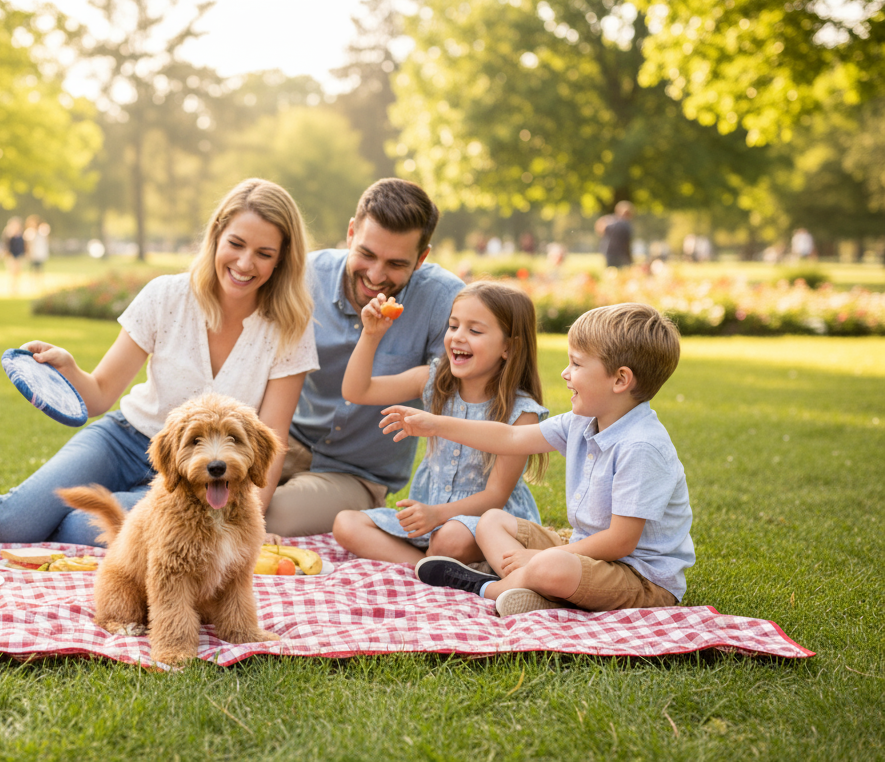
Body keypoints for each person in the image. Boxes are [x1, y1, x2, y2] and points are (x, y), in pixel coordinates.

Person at [0, 179, 318, 546]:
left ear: (282, 258)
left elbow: (271, 437)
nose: (245, 263)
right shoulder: (166, 296)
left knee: (82, 528)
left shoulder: (289, 328)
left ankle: (50, 521)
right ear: (216, 235)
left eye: (264, 253)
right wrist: (70, 369)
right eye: (235, 244)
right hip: (123, 441)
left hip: (200, 474)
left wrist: (249, 527)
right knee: (8, 524)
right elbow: (100, 395)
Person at [382, 303, 694, 617]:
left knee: (551, 565)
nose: (565, 373)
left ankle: (490, 587)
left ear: (620, 380)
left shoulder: (642, 446)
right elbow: (510, 438)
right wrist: (434, 424)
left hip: (640, 577)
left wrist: (535, 558)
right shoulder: (581, 421)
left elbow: (619, 542)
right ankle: (533, 589)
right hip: (584, 552)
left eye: (576, 363)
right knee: (491, 520)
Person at [263, 178, 465, 537]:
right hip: (287, 442)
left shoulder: (445, 301)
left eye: (396, 264)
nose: (375, 276)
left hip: (355, 474)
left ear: (421, 258)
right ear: (352, 232)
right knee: (214, 497)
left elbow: (458, 398)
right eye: (367, 254)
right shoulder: (305, 277)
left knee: (275, 516)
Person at [332, 282, 548, 567]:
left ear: (508, 346)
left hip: (484, 523)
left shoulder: (521, 413)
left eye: (474, 330)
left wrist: (437, 515)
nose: (458, 337)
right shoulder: (434, 380)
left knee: (449, 540)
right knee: (345, 524)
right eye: (453, 325)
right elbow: (357, 391)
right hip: (429, 519)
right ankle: (424, 567)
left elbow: (495, 496)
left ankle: (435, 559)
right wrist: (371, 336)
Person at [595, 201, 634, 268]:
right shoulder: (624, 225)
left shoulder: (610, 221)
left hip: (611, 253)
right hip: (619, 254)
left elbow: (600, 227)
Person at [3, 217, 26, 295]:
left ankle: (17, 288)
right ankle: (12, 288)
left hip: (19, 255)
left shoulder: (21, 235)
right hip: (11, 256)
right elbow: (7, 246)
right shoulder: (8, 234)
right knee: (12, 272)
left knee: (18, 272)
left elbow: (23, 246)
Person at [27, 215, 50, 282]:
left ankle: (40, 281)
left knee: (40, 268)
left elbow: (47, 239)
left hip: (40, 253)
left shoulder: (41, 231)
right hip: (33, 254)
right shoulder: (30, 232)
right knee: (32, 269)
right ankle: (32, 282)